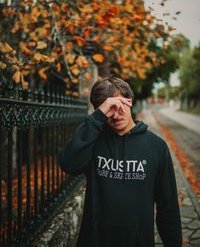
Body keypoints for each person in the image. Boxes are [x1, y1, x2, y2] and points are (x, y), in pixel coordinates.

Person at [58, 77, 182, 247]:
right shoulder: (93, 143)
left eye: (119, 106)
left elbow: (168, 206)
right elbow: (68, 163)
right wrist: (96, 119)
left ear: (129, 102)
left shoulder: (156, 147)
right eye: (109, 109)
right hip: (94, 240)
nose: (115, 115)